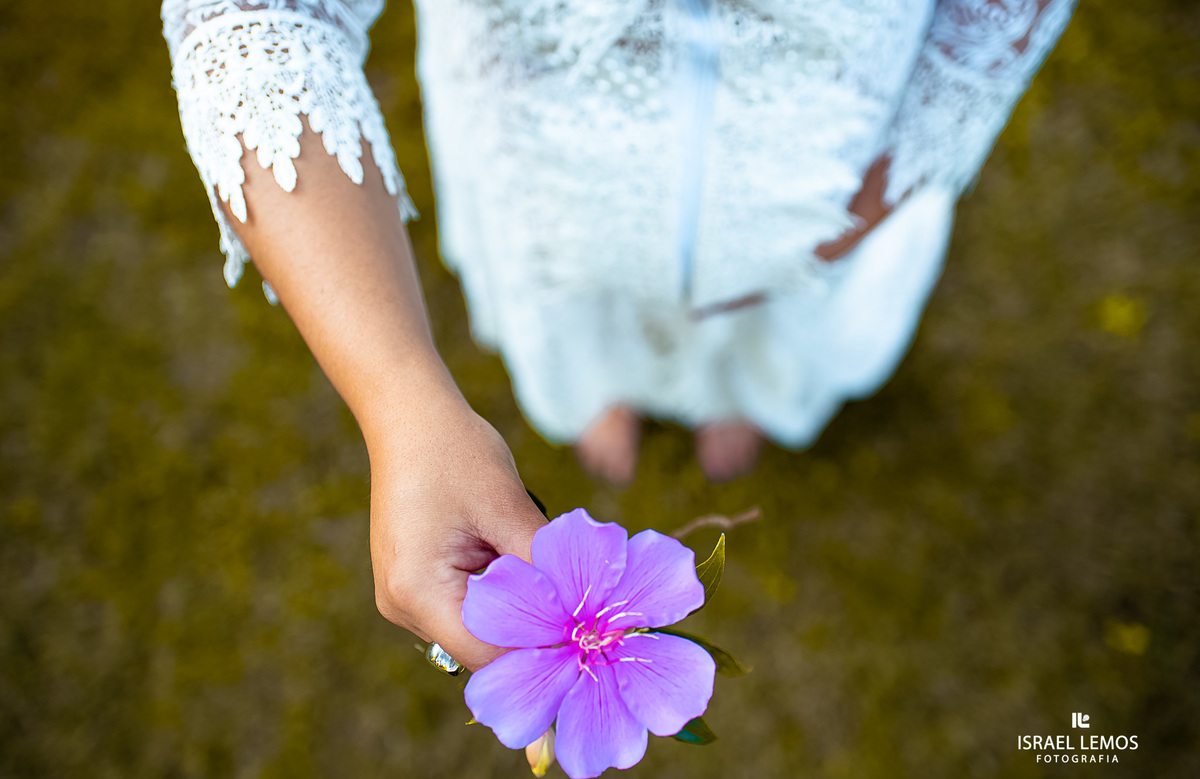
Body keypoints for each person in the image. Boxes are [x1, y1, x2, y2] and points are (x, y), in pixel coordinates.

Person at [161, 0, 1075, 670]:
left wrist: (855, 209)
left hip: (821, 194)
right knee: (578, 335)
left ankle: (740, 396)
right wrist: (402, 400)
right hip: (554, 198)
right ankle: (605, 395)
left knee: (776, 331)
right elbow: (259, 23)